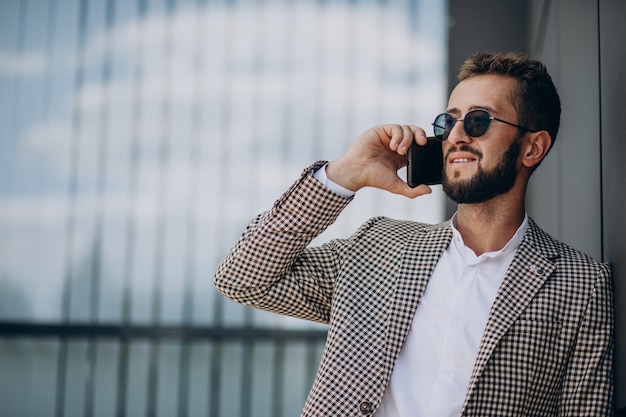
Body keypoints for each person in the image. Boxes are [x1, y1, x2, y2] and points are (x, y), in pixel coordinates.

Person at [213, 51, 614, 416]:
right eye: (448, 121)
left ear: (533, 148)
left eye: (479, 121)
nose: (456, 135)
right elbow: (242, 279)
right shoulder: (377, 246)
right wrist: (343, 175)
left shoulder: (582, 283)